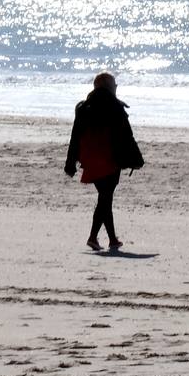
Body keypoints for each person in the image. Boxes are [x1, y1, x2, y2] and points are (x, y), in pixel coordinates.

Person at [64, 72, 144, 251]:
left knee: (105, 197)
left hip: (89, 159)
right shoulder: (115, 106)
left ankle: (113, 239)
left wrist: (70, 163)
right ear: (109, 87)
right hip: (109, 158)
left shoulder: (83, 107)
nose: (116, 88)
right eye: (114, 85)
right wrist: (136, 159)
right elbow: (127, 136)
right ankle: (93, 237)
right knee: (105, 198)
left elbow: (75, 137)